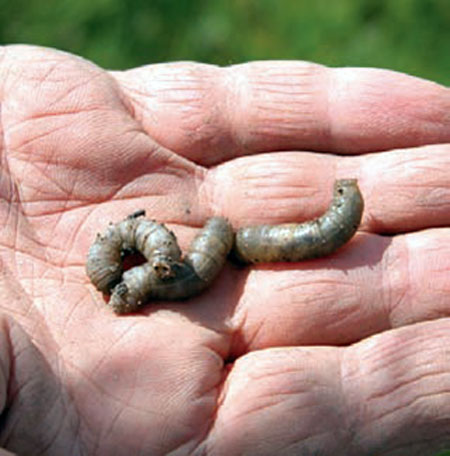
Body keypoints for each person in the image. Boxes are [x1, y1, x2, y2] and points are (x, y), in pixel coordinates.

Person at [0, 44, 449, 456]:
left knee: (305, 236)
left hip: (211, 248)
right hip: (200, 251)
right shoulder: (155, 266)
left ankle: (336, 208)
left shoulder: (160, 261)